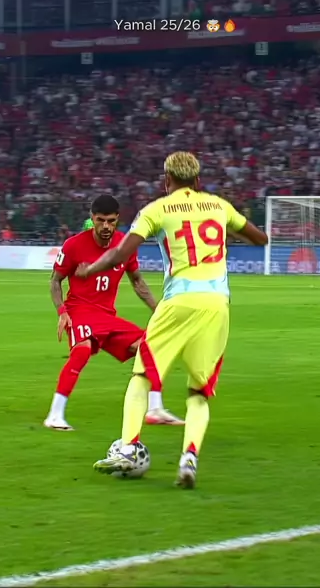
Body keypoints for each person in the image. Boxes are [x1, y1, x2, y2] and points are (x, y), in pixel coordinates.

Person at [76, 153, 268, 487]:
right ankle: (189, 458)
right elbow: (260, 239)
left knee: (142, 373)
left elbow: (122, 253)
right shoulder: (219, 206)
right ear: (198, 180)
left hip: (178, 300)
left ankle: (128, 447)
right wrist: (226, 234)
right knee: (198, 392)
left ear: (167, 180)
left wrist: (90, 269)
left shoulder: (157, 209)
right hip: (217, 305)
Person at [44, 194, 184, 431]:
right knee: (82, 350)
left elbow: (137, 281)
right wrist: (62, 311)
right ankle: (55, 415)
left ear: (118, 219)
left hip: (107, 316)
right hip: (80, 310)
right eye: (101, 220)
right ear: (92, 218)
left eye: (111, 221)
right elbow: (55, 281)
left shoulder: (124, 245)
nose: (106, 226)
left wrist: (158, 310)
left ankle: (155, 408)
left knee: (148, 346)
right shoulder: (74, 245)